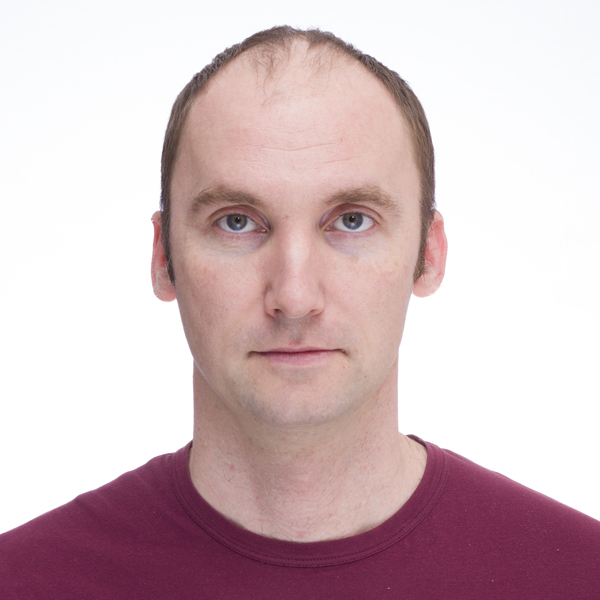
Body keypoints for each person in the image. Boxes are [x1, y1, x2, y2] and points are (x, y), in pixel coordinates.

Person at [1, 25, 599, 599]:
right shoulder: (23, 581)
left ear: (430, 254)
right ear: (163, 259)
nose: (293, 297)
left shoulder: (579, 575)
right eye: (236, 222)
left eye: (352, 221)